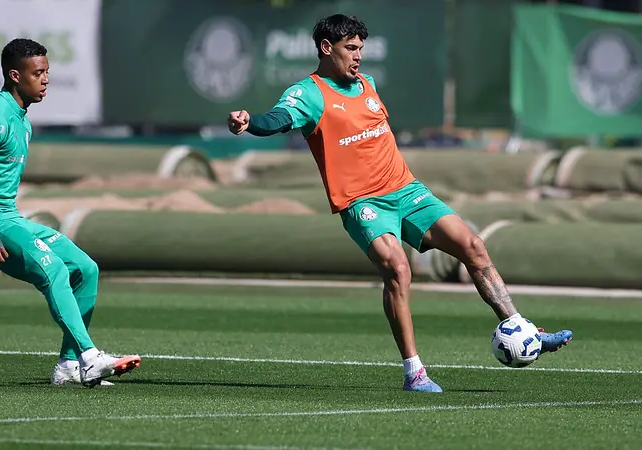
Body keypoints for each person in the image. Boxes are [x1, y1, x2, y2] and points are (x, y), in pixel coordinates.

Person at [227, 15, 572, 392]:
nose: (358, 56)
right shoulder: (309, 93)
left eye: (360, 48)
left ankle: (522, 329)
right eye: (350, 48)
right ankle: (415, 372)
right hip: (362, 202)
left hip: (406, 190)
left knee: (473, 246)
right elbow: (278, 118)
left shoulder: (367, 84)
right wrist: (250, 121)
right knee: (398, 269)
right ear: (326, 48)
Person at [0, 38, 141, 388]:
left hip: (9, 218)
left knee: (85, 268)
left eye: (47, 72)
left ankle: (69, 365)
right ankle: (90, 357)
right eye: (37, 73)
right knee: (53, 269)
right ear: (15, 76)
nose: (45, 79)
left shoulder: (22, 121)